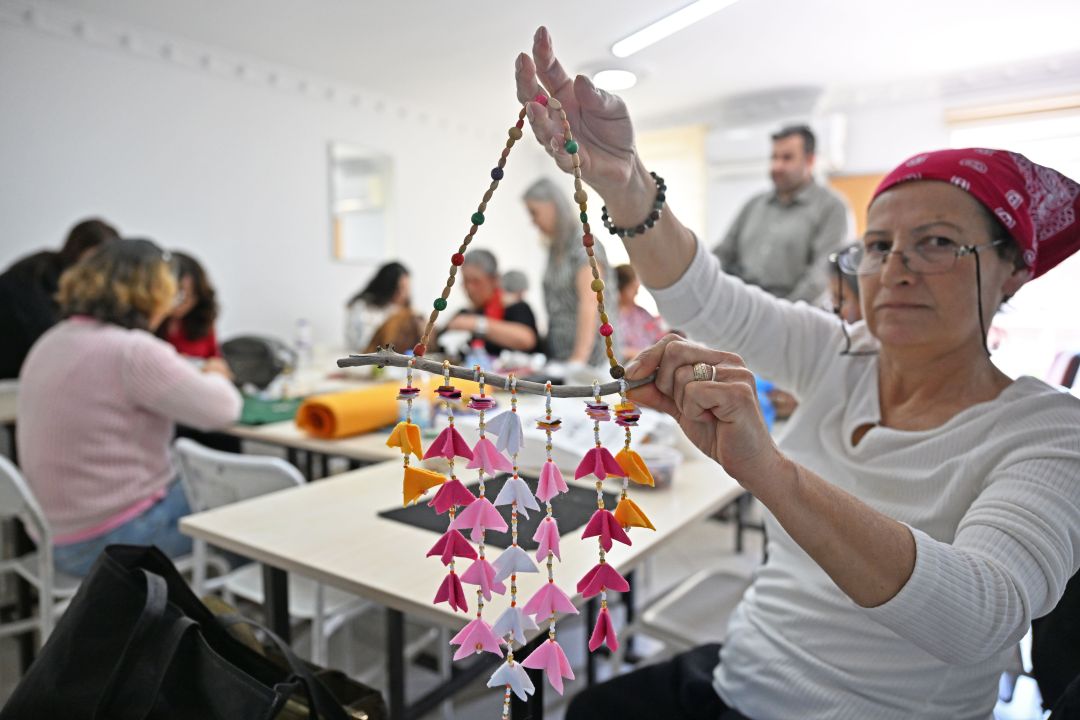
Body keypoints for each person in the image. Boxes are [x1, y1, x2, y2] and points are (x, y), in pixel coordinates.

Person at [516, 27, 1080, 720]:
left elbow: (982, 616)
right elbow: (707, 300)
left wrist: (771, 471)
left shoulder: (1049, 430)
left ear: (1013, 271)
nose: (895, 268)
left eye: (936, 242)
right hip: (740, 679)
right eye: (878, 246)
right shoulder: (839, 353)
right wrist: (624, 182)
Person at [17, 238, 242, 577]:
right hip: (115, 539)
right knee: (248, 504)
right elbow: (225, 410)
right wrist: (218, 373)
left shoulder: (52, 341)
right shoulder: (133, 351)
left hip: (52, 537)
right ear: (154, 293)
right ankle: (241, 616)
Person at [713, 124, 851, 304]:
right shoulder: (754, 204)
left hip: (797, 319)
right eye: (774, 157)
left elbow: (821, 276)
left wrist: (780, 316)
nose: (777, 166)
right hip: (741, 310)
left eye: (787, 158)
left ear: (809, 160)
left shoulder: (831, 208)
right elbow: (722, 253)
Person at [0, 218, 119, 379]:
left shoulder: (49, 271)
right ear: (76, 255)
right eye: (94, 262)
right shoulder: (37, 278)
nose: (97, 272)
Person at [523, 177, 615, 366]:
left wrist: (578, 360)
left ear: (552, 206)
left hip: (591, 362)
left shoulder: (584, 246)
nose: (533, 222)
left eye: (534, 213)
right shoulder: (555, 249)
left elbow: (590, 303)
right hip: (561, 357)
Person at [445, 249, 540, 356]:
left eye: (476, 281)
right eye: (466, 281)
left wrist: (477, 324)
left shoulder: (516, 308)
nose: (470, 288)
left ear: (494, 280)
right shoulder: (465, 313)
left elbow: (526, 339)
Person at [157, 251, 224, 361]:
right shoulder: (146, 324)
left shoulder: (202, 321)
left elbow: (216, 361)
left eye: (192, 295)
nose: (184, 303)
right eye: (178, 295)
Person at [345, 261, 419, 353]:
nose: (403, 295)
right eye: (399, 289)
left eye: (406, 289)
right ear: (387, 287)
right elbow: (362, 345)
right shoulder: (363, 307)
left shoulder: (403, 310)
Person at [615, 264, 665, 361]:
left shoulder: (642, 313)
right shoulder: (612, 317)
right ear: (621, 289)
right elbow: (615, 350)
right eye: (633, 288)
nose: (637, 292)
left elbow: (659, 337)